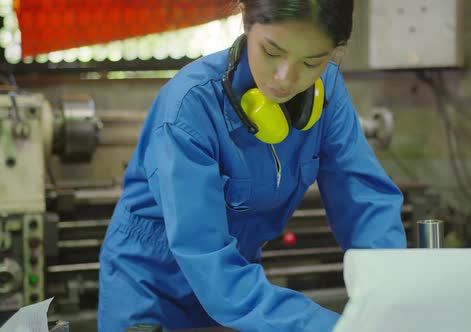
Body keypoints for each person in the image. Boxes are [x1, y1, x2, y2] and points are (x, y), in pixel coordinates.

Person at [98, 0, 406, 331]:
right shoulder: (190, 107)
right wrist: (326, 327)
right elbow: (207, 256)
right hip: (151, 291)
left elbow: (363, 201)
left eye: (312, 61)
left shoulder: (327, 92)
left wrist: (390, 298)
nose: (286, 79)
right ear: (246, 20)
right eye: (272, 52)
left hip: (240, 287)